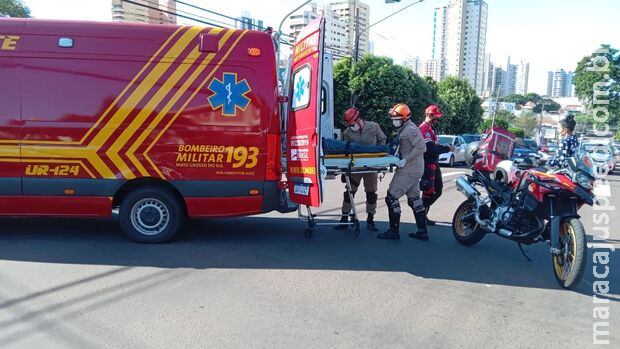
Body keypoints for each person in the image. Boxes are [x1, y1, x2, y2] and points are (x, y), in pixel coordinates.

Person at [377, 103, 429, 240]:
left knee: (391, 197)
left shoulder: (410, 129)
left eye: (396, 119)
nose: (394, 121)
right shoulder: (405, 129)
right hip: (414, 169)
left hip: (409, 169)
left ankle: (394, 231)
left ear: (404, 118)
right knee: (415, 199)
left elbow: (422, 147)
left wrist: (405, 159)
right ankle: (422, 231)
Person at [335, 107, 387, 231]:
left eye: (352, 123)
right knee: (349, 192)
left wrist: (379, 157)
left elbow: (382, 140)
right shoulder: (348, 132)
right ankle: (344, 218)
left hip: (371, 166)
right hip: (355, 166)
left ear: (358, 119)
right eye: (349, 124)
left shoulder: (374, 127)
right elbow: (345, 149)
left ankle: (370, 219)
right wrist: (344, 169)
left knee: (371, 193)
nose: (351, 126)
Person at [419, 105, 455, 227]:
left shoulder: (431, 129)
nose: (437, 119)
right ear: (430, 115)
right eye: (436, 117)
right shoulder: (424, 129)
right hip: (427, 163)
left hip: (434, 163)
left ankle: (422, 214)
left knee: (437, 190)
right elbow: (430, 148)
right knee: (427, 191)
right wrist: (447, 148)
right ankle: (421, 215)